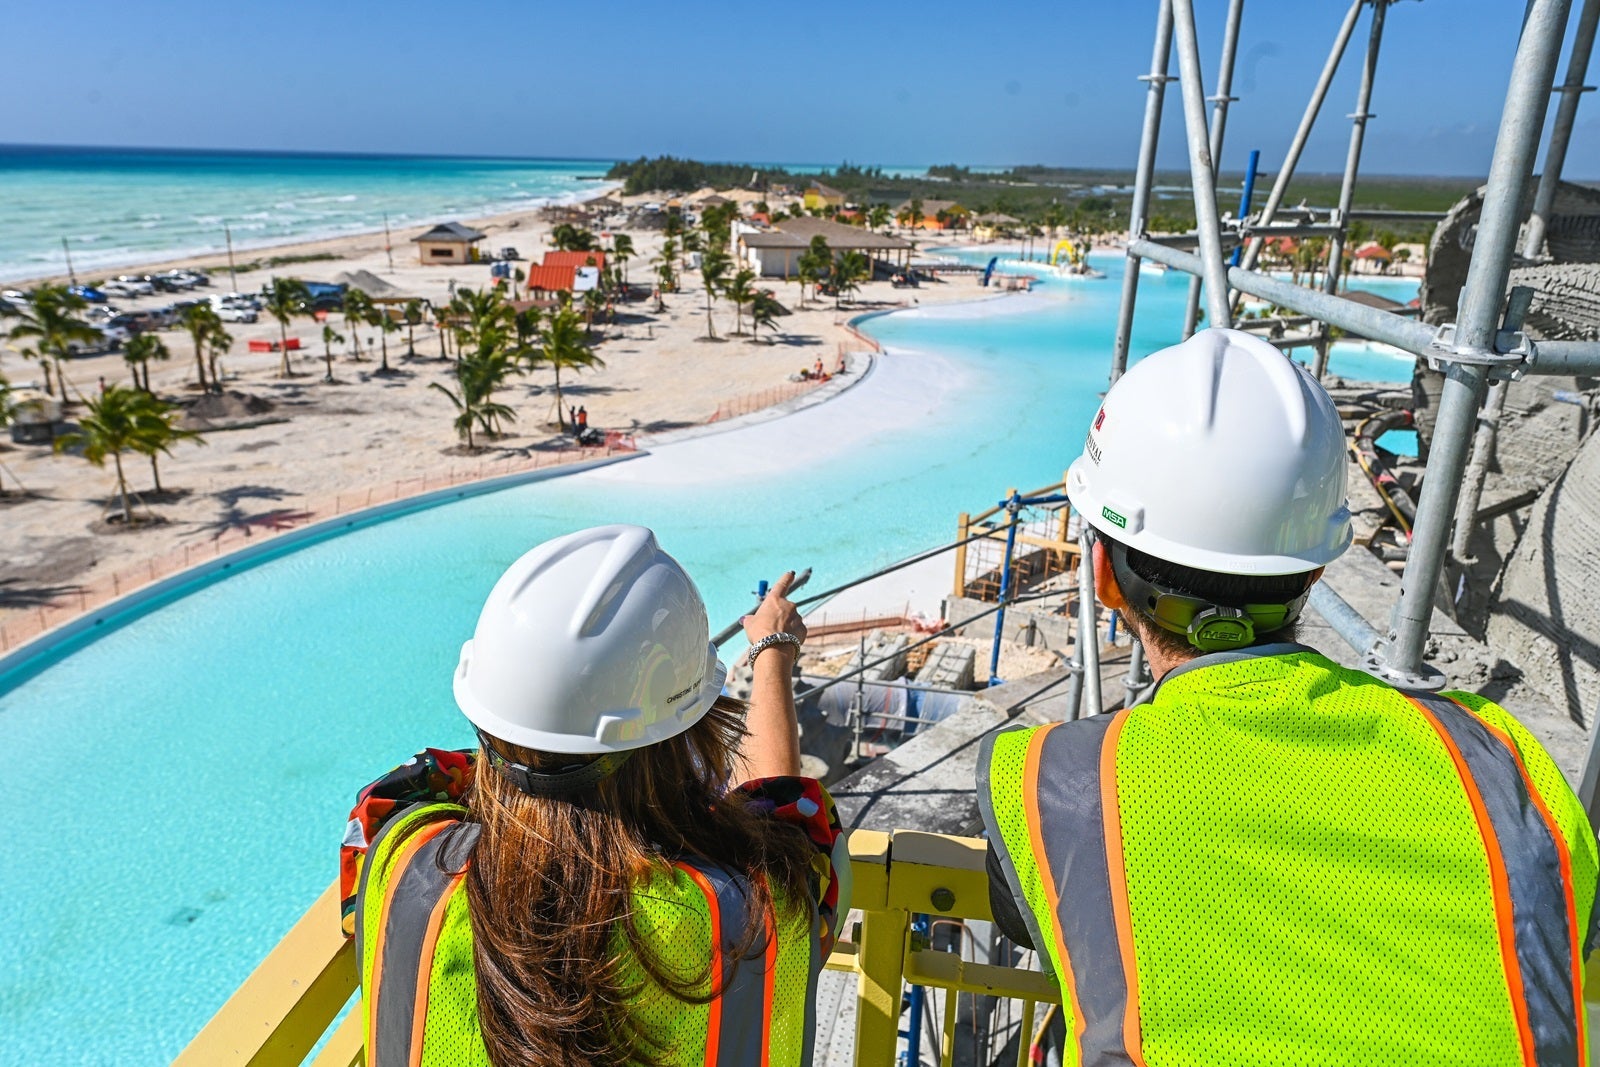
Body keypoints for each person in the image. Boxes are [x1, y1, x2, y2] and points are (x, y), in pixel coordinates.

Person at [978, 328, 1598, 1066]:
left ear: (1105, 577)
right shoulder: (1497, 759)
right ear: (1312, 572)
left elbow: (1025, 910)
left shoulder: (1062, 782)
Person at [341, 525, 848, 1067]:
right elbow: (777, 802)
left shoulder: (394, 859)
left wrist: (535, 741)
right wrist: (772, 652)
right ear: (686, 737)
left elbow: (419, 781)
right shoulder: (758, 905)